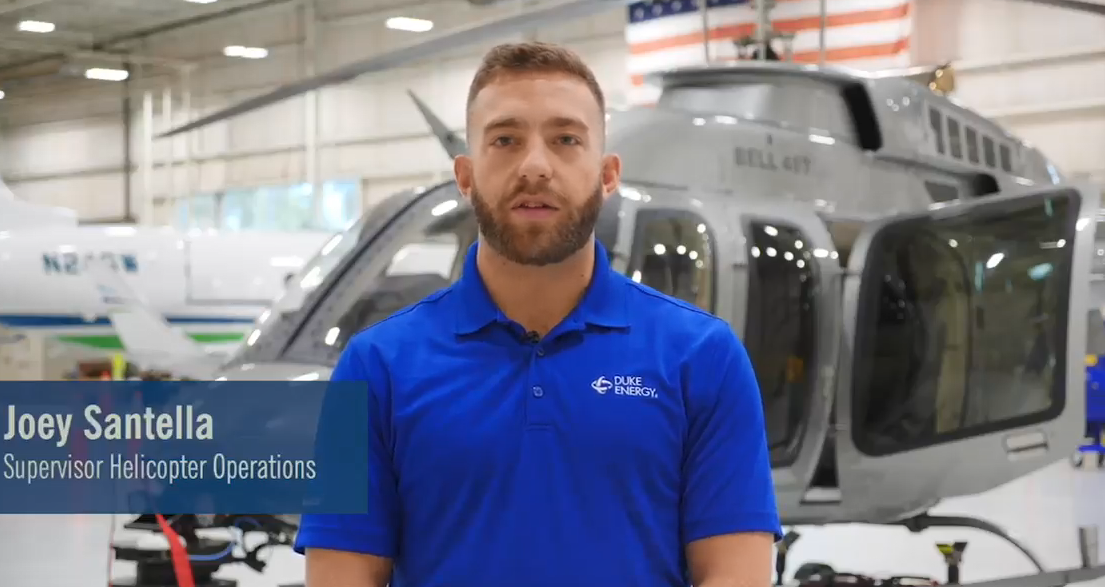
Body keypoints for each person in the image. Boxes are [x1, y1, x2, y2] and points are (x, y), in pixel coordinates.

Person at [294, 40, 782, 587]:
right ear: (465, 176)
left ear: (608, 174)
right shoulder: (372, 368)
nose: (534, 166)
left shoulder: (704, 357)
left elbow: (735, 574)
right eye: (505, 140)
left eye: (566, 139)